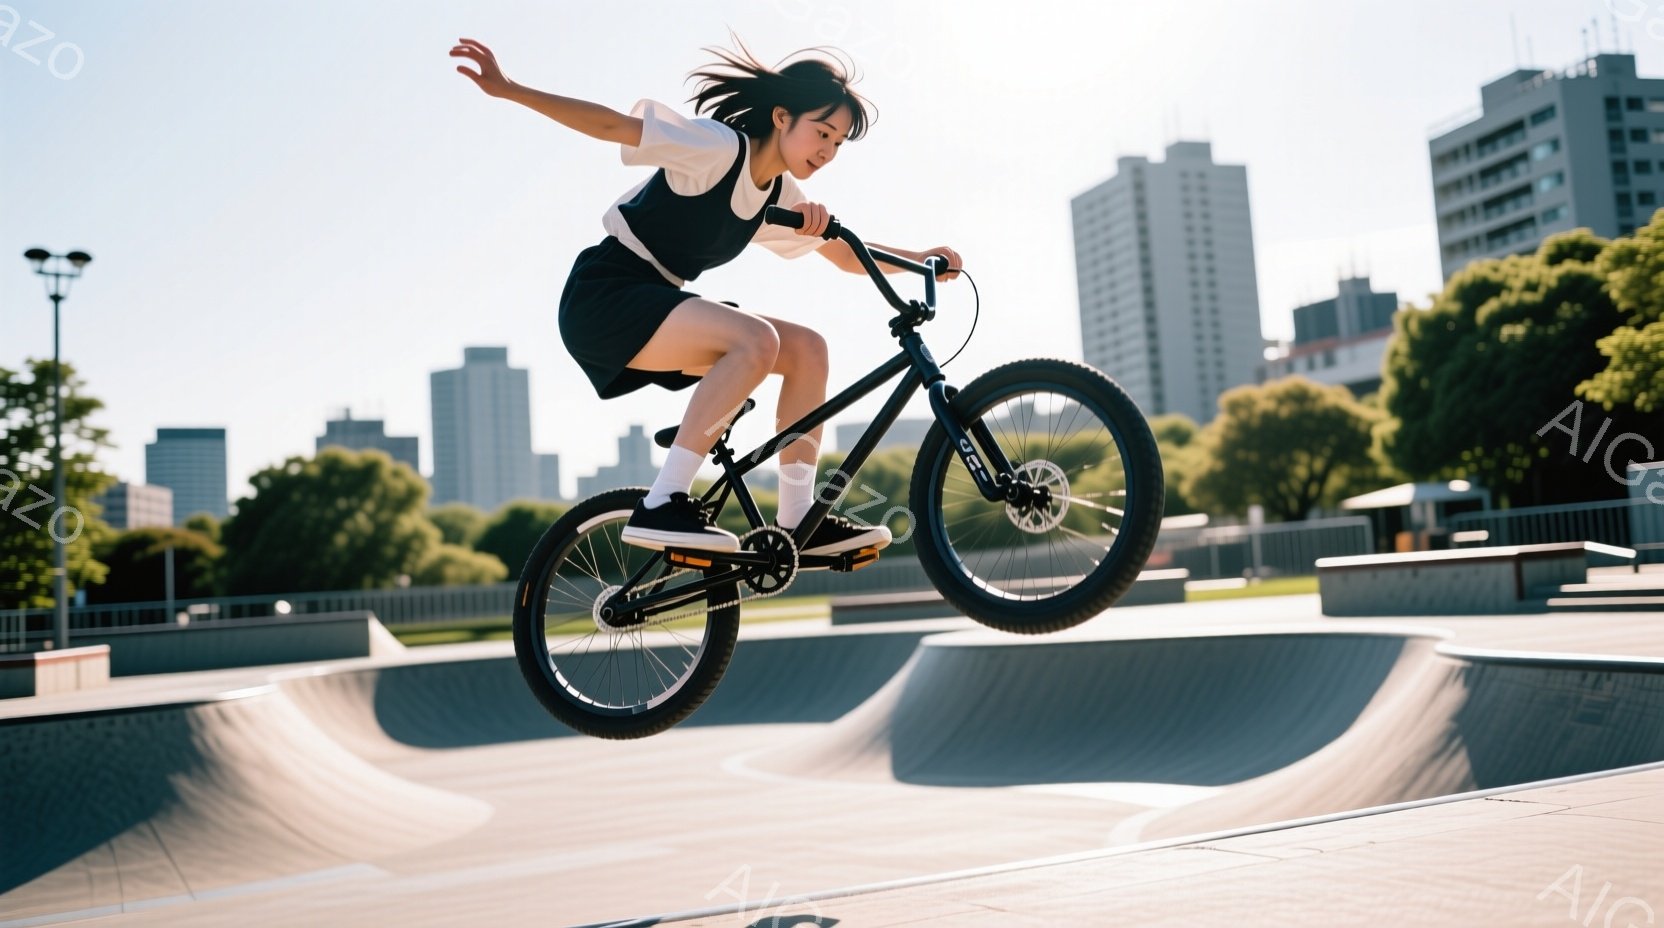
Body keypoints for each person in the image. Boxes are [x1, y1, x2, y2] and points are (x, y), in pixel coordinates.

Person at [452, 36, 962, 553]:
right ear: (782, 117)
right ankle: (662, 501)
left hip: (658, 300)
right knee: (756, 340)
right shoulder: (717, 148)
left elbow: (846, 255)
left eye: (838, 143)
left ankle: (796, 520)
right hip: (604, 295)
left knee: (808, 349)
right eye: (822, 132)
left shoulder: (778, 194)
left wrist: (920, 259)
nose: (827, 151)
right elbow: (613, 127)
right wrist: (510, 89)